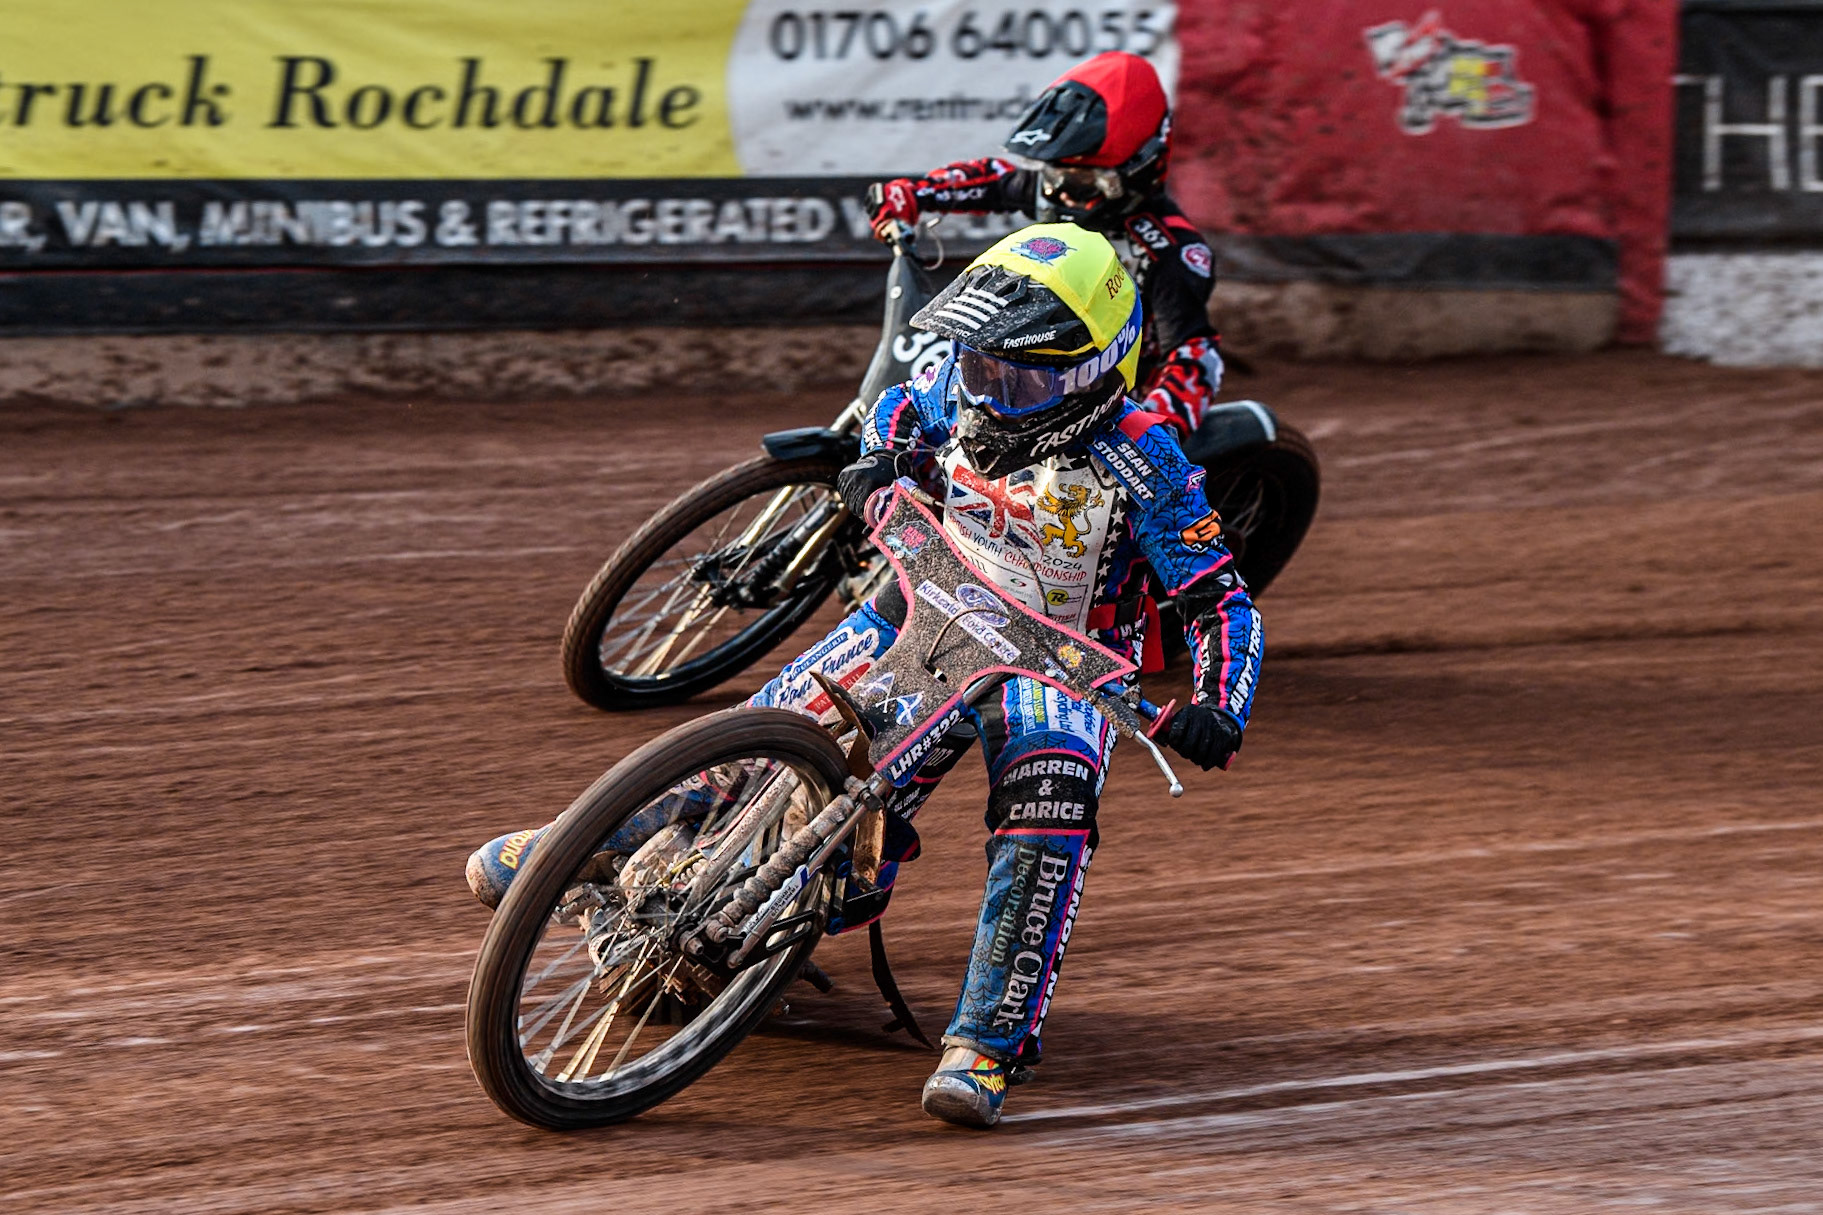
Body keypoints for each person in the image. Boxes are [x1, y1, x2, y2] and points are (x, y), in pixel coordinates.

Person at [467, 223, 1262, 1128]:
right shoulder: (956, 383)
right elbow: (896, 405)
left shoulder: (1146, 460)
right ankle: (575, 842)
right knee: (767, 729)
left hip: (1059, 659)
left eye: (1019, 377)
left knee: (1048, 815)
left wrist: (1219, 704)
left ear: (1093, 370)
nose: (989, 390)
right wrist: (879, 458)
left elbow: (1220, 600)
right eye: (980, 365)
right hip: (925, 593)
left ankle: (986, 1044)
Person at [868, 50, 1225, 437]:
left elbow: (1192, 354)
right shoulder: (1058, 188)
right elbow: (995, 177)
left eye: (1082, 181)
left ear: (1139, 168)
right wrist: (916, 193)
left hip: (1106, 406)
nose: (1061, 192)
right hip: (1031, 371)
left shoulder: (1170, 250)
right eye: (1054, 175)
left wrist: (1152, 426)